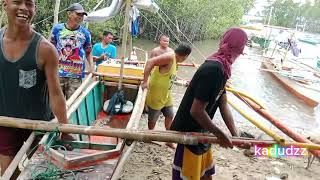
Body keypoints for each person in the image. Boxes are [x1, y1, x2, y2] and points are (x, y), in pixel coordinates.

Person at [0, 0, 70, 176]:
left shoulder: (45, 49)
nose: (24, 8)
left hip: (38, 124)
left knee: (39, 172)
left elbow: (55, 93)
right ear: (5, 4)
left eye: (29, 4)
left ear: (34, 9)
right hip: (5, 122)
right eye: (17, 2)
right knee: (8, 172)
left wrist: (64, 128)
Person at [170, 28, 248, 180]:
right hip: (190, 133)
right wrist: (220, 135)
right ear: (238, 50)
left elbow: (223, 102)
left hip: (203, 130)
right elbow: (196, 111)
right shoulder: (213, 69)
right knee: (189, 175)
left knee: (206, 173)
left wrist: (234, 135)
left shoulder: (224, 68)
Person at [141, 43, 192, 149]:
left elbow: (171, 76)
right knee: (153, 118)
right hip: (156, 94)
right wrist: (145, 81)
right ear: (186, 56)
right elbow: (150, 62)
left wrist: (184, 81)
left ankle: (169, 140)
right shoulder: (170, 57)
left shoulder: (175, 60)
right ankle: (150, 136)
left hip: (166, 95)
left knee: (169, 115)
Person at [50, 2, 93, 99]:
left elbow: (89, 51)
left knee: (74, 105)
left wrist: (92, 68)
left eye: (82, 15)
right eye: (78, 14)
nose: (80, 17)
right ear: (69, 14)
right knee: (55, 104)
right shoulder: (57, 29)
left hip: (76, 77)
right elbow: (50, 49)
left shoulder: (85, 33)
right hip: (58, 74)